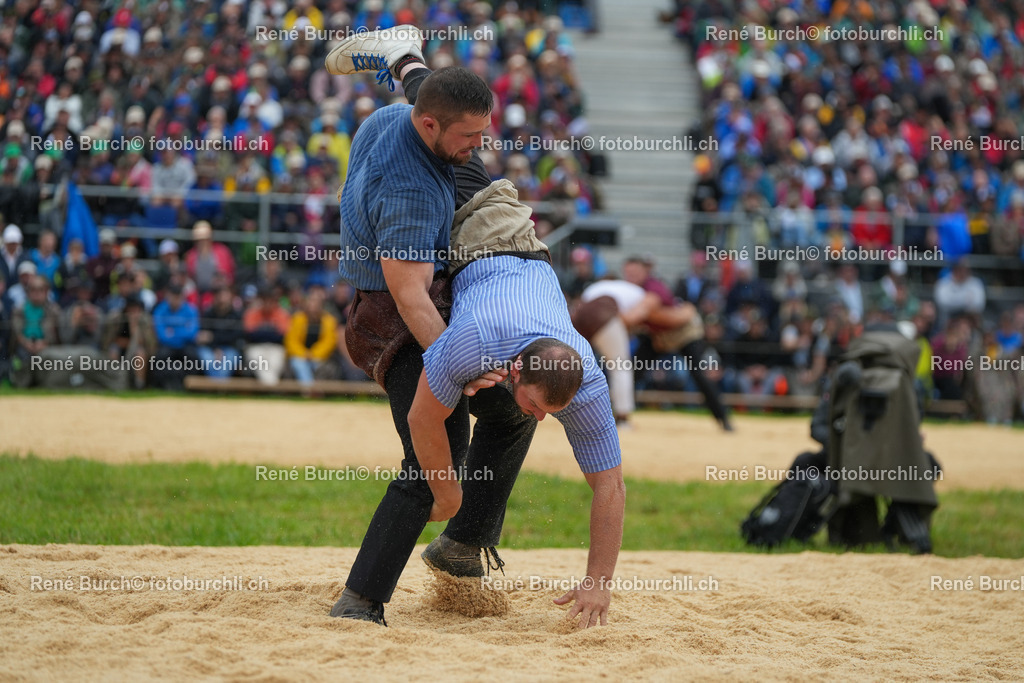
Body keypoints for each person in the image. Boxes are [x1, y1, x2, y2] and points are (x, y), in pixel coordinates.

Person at [324, 28, 622, 629]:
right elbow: (411, 299)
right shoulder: (412, 193)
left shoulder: (583, 375)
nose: (480, 143)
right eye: (470, 134)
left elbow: (610, 487)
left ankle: (463, 546)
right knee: (438, 451)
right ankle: (361, 601)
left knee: (513, 412)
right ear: (427, 127)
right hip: (404, 300)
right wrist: (449, 474)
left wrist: (599, 583)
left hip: (501, 232)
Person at [283, 286, 337, 385]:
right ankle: (309, 389)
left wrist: (313, 354)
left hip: (319, 356)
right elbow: (291, 341)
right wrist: (304, 354)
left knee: (318, 366)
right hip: (300, 356)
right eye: (311, 301)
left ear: (321, 305)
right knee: (299, 364)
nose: (313, 305)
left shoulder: (329, 320)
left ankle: (311, 389)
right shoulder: (297, 318)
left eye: (316, 302)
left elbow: (329, 342)